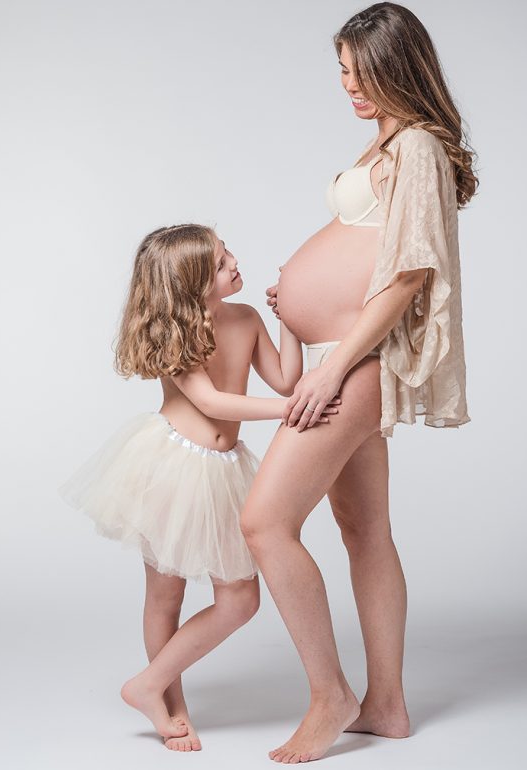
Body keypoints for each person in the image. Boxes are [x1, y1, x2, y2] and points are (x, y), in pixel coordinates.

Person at [241, 2, 477, 763]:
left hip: (357, 361)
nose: (349, 86)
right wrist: (298, 298)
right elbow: (365, 248)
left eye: (362, 72)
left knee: (264, 523)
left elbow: (408, 275)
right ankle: (388, 707)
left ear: (398, 67)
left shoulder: (419, 148)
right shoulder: (388, 141)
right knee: (365, 532)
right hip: (341, 351)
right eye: (342, 71)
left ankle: (330, 697)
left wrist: (334, 365)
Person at [59, 223, 340, 752]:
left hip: (224, 471)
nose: (234, 262)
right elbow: (212, 402)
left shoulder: (247, 317)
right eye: (219, 262)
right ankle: (171, 705)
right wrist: (290, 411)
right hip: (173, 467)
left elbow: (285, 379)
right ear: (192, 283)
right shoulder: (178, 332)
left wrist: (288, 321)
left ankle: (147, 684)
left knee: (240, 600)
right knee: (166, 595)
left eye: (227, 251)